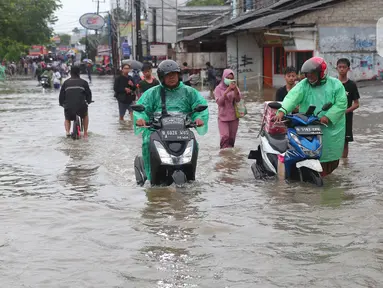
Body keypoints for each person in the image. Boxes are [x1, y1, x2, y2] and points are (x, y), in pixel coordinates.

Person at [133, 60, 209, 182]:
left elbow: (200, 106)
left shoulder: (189, 92)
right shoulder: (153, 92)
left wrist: (198, 118)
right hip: (156, 131)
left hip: (182, 131)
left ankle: (191, 176)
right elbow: (141, 108)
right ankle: (151, 177)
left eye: (174, 74)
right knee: (147, 143)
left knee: (194, 144)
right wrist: (141, 119)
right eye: (168, 75)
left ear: (178, 75)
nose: (172, 77)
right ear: (162, 77)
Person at [274, 57, 347, 176]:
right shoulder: (304, 85)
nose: (309, 77)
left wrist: (328, 117)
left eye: (312, 74)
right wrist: (282, 110)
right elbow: (292, 97)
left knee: (330, 159)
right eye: (307, 74)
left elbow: (341, 104)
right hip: (309, 125)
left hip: (329, 128)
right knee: (308, 153)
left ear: (321, 73)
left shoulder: (336, 85)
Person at [336, 58, 360, 158]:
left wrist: (345, 111)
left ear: (348, 69)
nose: (342, 69)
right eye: (340, 67)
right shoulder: (333, 84)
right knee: (333, 141)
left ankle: (345, 164)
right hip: (334, 118)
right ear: (336, 68)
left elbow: (356, 104)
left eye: (344, 67)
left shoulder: (352, 85)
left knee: (345, 142)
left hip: (346, 118)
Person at [59, 66, 92, 138]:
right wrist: (88, 101)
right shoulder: (84, 82)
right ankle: (85, 133)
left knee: (67, 118)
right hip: (81, 107)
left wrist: (62, 104)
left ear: (70, 73)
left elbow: (61, 96)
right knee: (85, 115)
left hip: (69, 107)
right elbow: (89, 94)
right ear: (79, 73)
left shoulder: (66, 83)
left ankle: (67, 132)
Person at [214, 69, 242, 149]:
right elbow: (219, 102)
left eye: (231, 78)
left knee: (231, 138)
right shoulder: (218, 89)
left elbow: (238, 99)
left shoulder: (235, 87)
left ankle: (230, 158)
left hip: (234, 116)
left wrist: (235, 89)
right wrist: (227, 90)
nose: (229, 80)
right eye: (228, 78)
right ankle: (223, 155)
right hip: (222, 117)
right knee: (225, 137)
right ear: (223, 78)